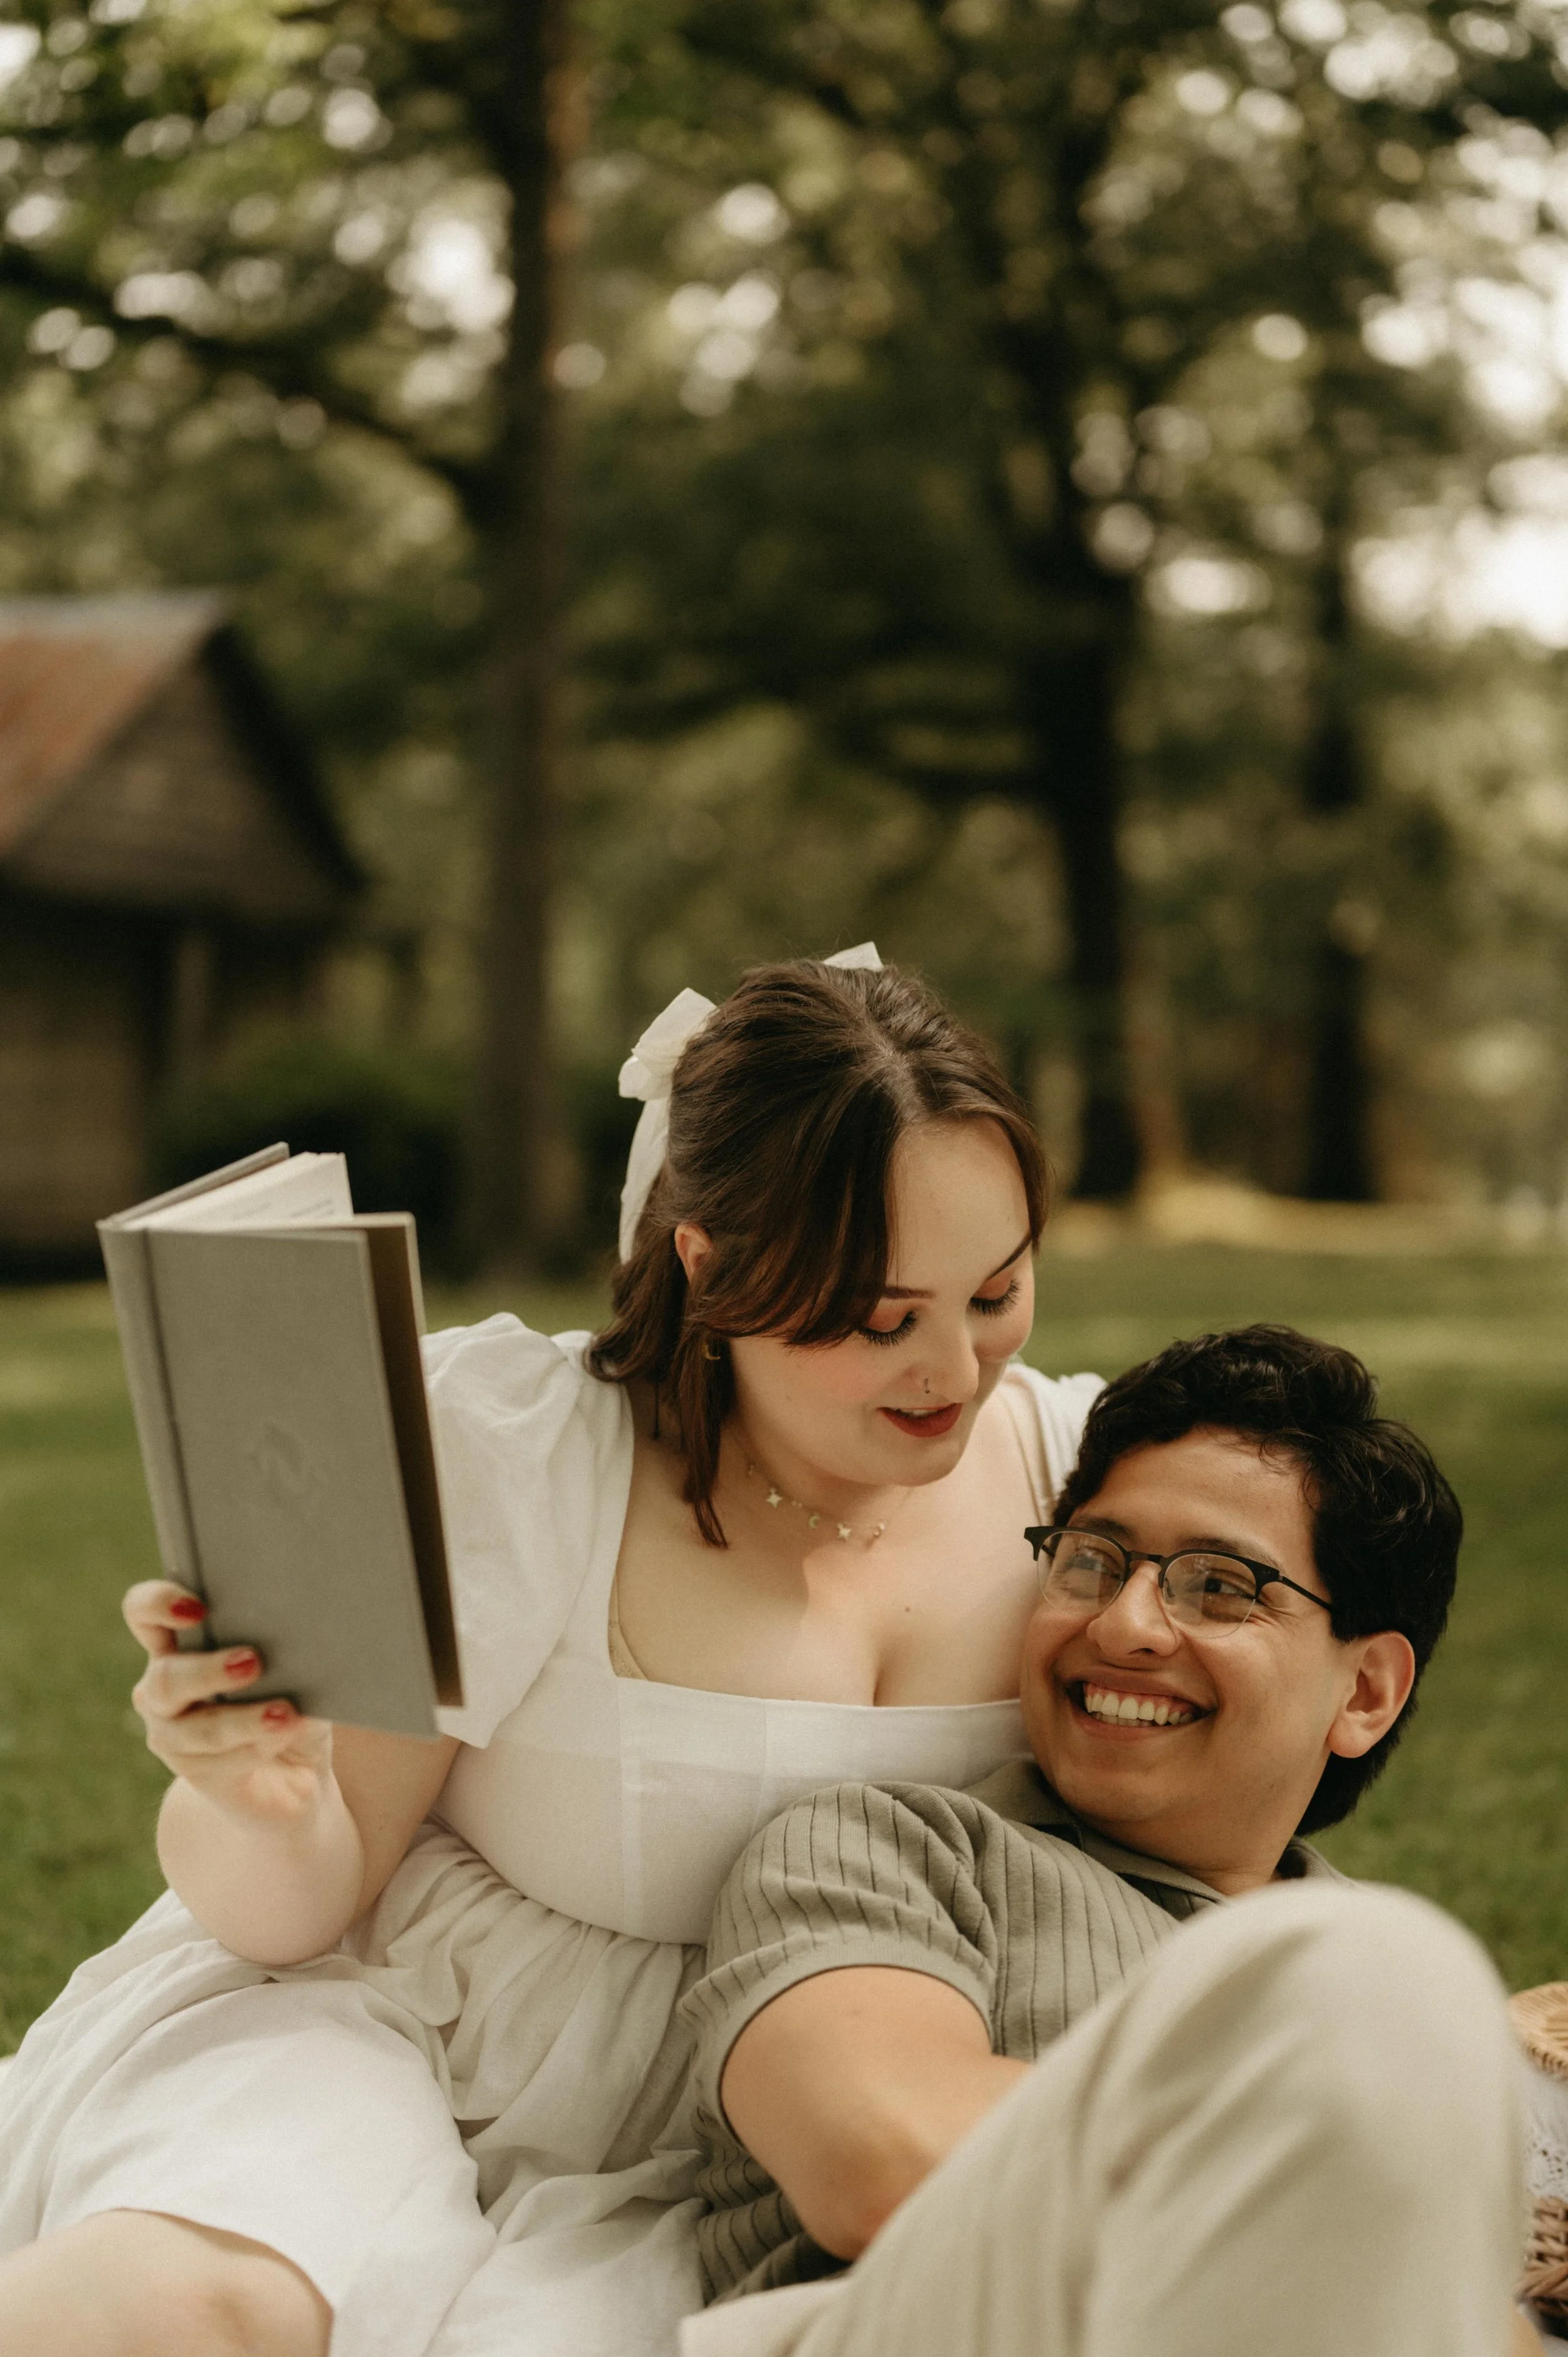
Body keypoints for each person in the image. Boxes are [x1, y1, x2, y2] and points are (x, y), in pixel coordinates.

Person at [0, 950, 1103, 2357]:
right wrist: (261, 1796)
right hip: (395, 2040)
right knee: (207, 2306)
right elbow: (293, 1912)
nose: (954, 1371)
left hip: (775, 2129)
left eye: (996, 1292)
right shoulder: (531, 1458)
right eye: (882, 1319)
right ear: (711, 1268)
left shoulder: (1083, 1479)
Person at [672, 1326, 1533, 2357]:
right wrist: (1334, 2174)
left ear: (1364, 1692)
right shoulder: (889, 1846)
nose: (1127, 1623)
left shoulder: (1371, 1995)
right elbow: (881, 2160)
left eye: (1218, 1586)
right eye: (1094, 1561)